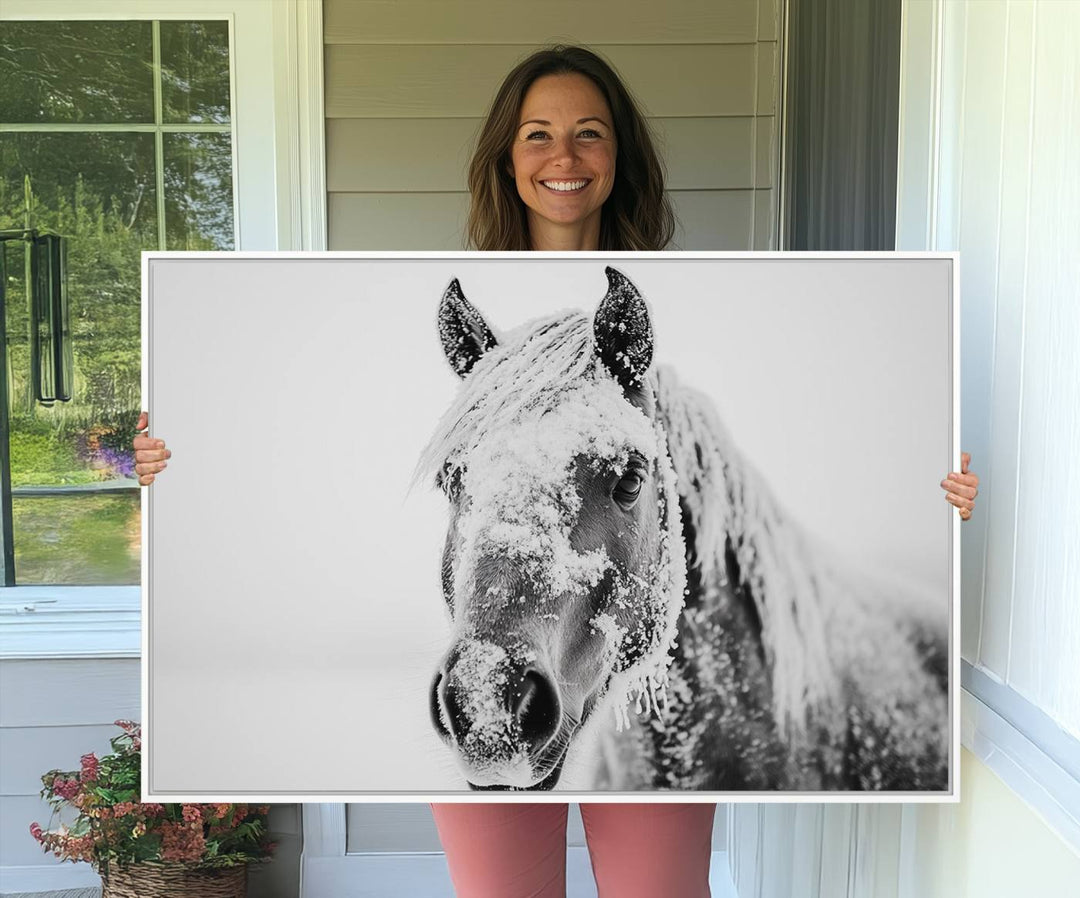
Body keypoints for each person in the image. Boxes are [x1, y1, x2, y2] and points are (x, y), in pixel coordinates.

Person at [133, 45, 979, 898]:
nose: (563, 157)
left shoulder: (680, 308)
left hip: (632, 674)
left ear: (619, 159)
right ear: (508, 157)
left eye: (589, 134)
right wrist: (178, 468)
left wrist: (936, 490)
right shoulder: (444, 302)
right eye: (537, 135)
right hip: (502, 655)